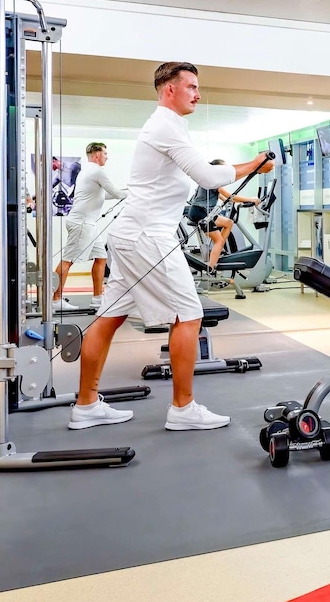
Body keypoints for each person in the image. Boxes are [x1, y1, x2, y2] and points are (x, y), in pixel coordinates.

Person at [68, 61, 274, 432]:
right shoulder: (164, 125)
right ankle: (183, 408)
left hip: (134, 235)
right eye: (192, 86)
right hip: (147, 237)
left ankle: (86, 405)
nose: (198, 94)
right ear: (170, 90)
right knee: (189, 315)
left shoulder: (171, 126)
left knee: (110, 316)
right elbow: (208, 175)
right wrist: (254, 165)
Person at [53, 142, 127, 312]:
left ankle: (97, 299)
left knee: (101, 258)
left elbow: (104, 195)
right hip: (82, 223)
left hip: (88, 223)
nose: (107, 157)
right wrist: (136, 192)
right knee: (68, 260)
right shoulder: (97, 171)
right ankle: (56, 299)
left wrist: (127, 191)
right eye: (105, 153)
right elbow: (116, 193)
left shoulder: (87, 171)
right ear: (97, 154)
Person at [184, 159, 261, 273]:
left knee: (228, 223)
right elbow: (231, 197)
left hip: (199, 211)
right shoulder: (214, 181)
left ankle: (219, 249)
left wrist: (242, 201)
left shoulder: (208, 181)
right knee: (219, 240)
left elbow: (226, 199)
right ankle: (210, 270)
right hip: (202, 212)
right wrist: (251, 200)